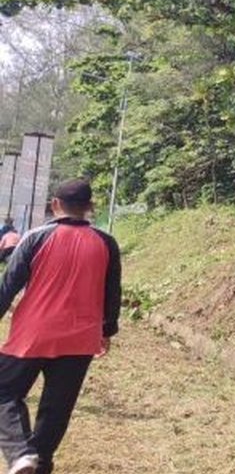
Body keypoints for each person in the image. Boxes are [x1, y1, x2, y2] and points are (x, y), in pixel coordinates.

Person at [0, 179, 121, 474]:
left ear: (55, 205)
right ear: (90, 207)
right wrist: (107, 331)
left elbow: (8, 286)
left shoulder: (35, 238)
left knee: (4, 393)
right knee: (57, 409)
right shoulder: (107, 243)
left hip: (33, 335)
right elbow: (112, 292)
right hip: (81, 340)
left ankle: (20, 454)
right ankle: (38, 464)